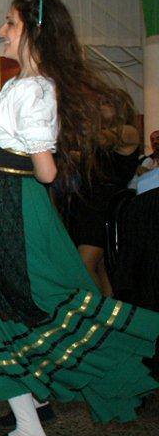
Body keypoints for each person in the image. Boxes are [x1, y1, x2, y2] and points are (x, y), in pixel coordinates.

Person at [0, 0, 159, 436]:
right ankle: (31, 409)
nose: (0, 31)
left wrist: (21, 160)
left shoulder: (36, 89)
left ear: (33, 31)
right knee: (5, 300)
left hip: (12, 198)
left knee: (0, 302)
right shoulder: (21, 83)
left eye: (10, 23)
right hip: (3, 198)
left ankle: (31, 422)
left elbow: (47, 170)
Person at [58, 92, 141, 296]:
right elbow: (78, 155)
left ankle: (97, 313)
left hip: (105, 206)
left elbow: (100, 140)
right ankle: (111, 316)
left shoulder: (129, 131)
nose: (100, 106)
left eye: (107, 103)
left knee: (84, 265)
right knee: (103, 268)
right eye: (100, 102)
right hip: (87, 204)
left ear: (122, 108)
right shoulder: (98, 139)